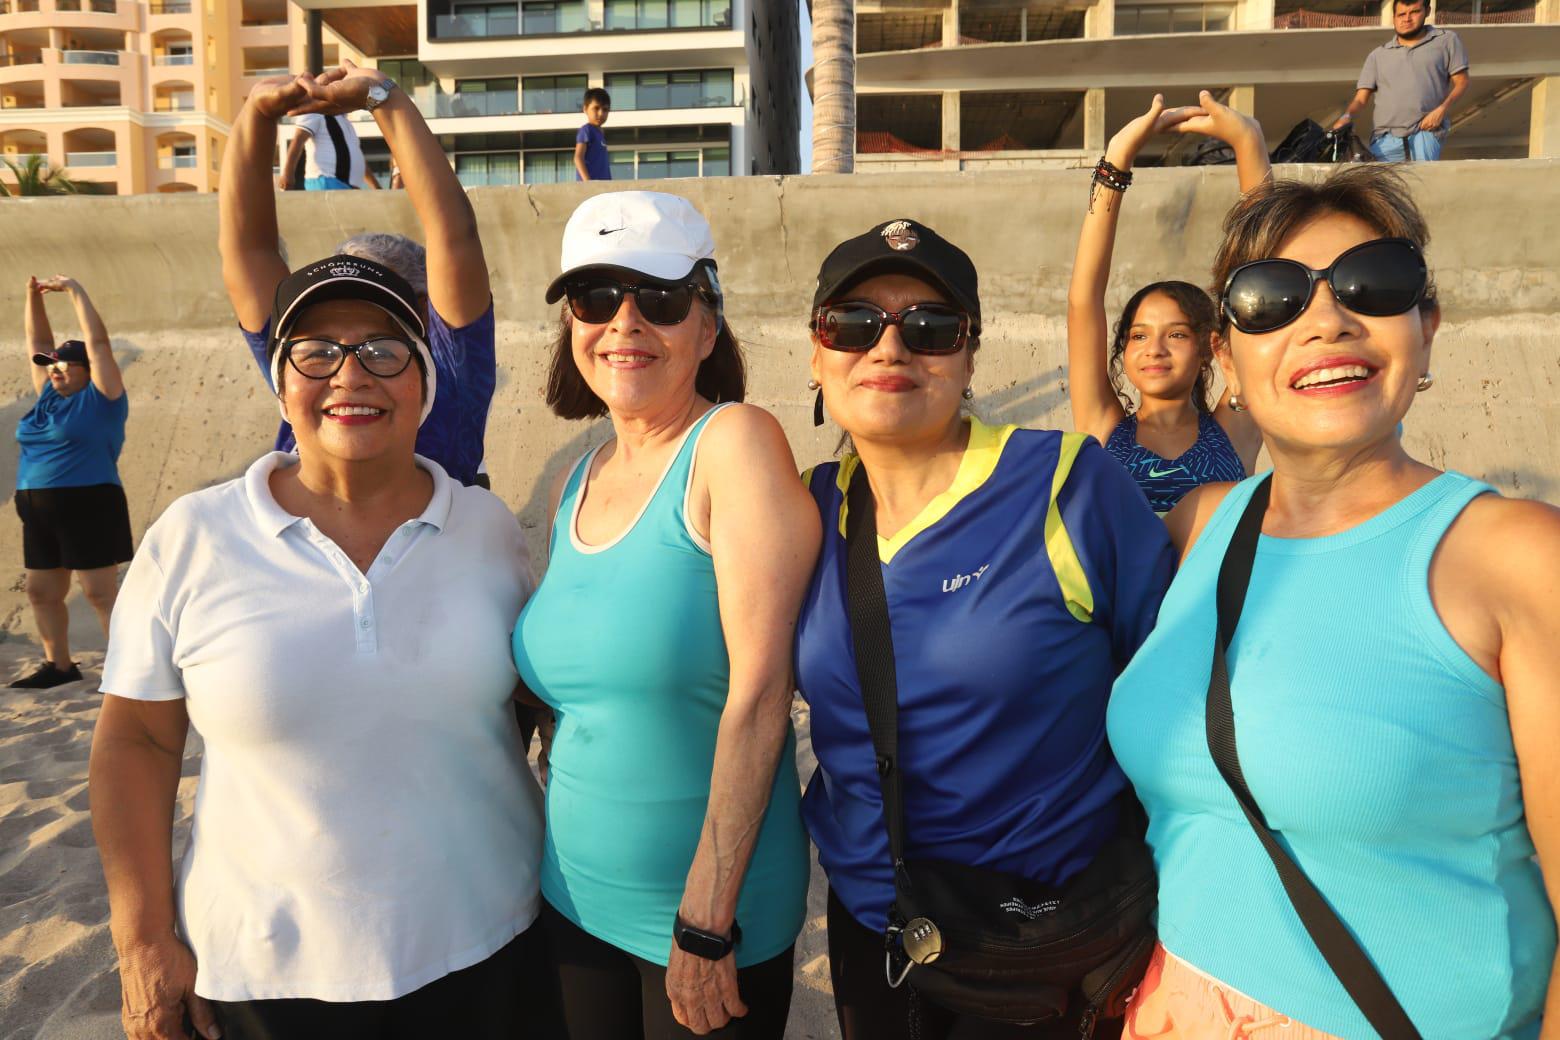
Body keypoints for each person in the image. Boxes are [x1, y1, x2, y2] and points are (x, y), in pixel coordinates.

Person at [1108, 165, 1560, 1038]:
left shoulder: (1513, 554)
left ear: (1427, 329)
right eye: (1272, 298)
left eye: (1374, 285)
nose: (1325, 320)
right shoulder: (1201, 527)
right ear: (1227, 359)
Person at [89, 256, 556, 1040]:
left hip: (493, 947)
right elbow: (135, 739)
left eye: (383, 348)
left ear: (425, 383)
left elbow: (545, 703)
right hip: (262, 973)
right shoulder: (194, 536)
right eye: (315, 350)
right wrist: (141, 938)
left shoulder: (488, 529)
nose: (351, 374)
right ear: (281, 383)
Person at [797, 218, 1176, 1039]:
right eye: (854, 324)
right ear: (816, 355)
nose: (890, 350)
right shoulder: (803, 508)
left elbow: (1175, 701)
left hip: (1042, 933)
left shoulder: (1067, 485)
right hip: (879, 929)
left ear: (970, 358)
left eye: (931, 328)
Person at [513, 190, 816, 1039]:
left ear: (707, 328)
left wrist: (706, 920)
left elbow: (761, 695)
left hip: (704, 921)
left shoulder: (733, 443)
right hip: (571, 898)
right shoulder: (582, 475)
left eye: (660, 298)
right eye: (597, 299)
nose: (625, 323)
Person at [224, 62, 495, 487]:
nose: (346, 373)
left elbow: (453, 234)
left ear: (426, 316)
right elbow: (251, 251)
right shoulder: (301, 364)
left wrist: (384, 97)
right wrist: (255, 116)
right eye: (323, 342)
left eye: (379, 341)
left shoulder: (448, 374)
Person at [1068, 92, 1265, 513]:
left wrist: (1249, 144)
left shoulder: (1238, 419)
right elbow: (1083, 299)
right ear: (1124, 348)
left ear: (1209, 348)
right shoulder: (1103, 426)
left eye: (1176, 334)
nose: (1154, 349)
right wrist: (1116, 160)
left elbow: (1265, 281)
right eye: (1139, 335)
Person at [10, 275, 130, 690]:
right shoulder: (47, 396)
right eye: (51, 364)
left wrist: (76, 290)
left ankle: (126, 668)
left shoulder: (103, 399)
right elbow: (35, 342)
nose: (54, 368)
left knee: (99, 593)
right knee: (42, 592)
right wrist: (32, 296)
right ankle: (59, 665)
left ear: (88, 371)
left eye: (65, 364)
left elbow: (98, 344)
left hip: (89, 502)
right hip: (39, 507)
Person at [1330, 0, 1469, 162]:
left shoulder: (1446, 40)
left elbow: (1462, 82)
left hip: (1425, 131)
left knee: (1423, 184)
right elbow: (1361, 99)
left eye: (1414, 12)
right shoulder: (1378, 55)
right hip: (1385, 137)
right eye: (1401, 14)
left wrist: (1441, 110)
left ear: (1427, 11)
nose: (1407, 19)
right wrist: (1346, 116)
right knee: (1382, 185)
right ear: (1394, 17)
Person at [277, 109, 379, 190]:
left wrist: (376, 187)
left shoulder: (344, 120)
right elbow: (298, 140)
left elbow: (356, 157)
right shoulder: (315, 112)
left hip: (347, 187)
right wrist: (287, 174)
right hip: (326, 181)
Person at [574, 87, 611, 182]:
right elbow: (578, 157)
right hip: (591, 188)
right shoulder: (587, 130)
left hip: (603, 187)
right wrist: (588, 183)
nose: (601, 113)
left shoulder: (601, 133)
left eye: (605, 109)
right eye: (596, 108)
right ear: (585, 109)